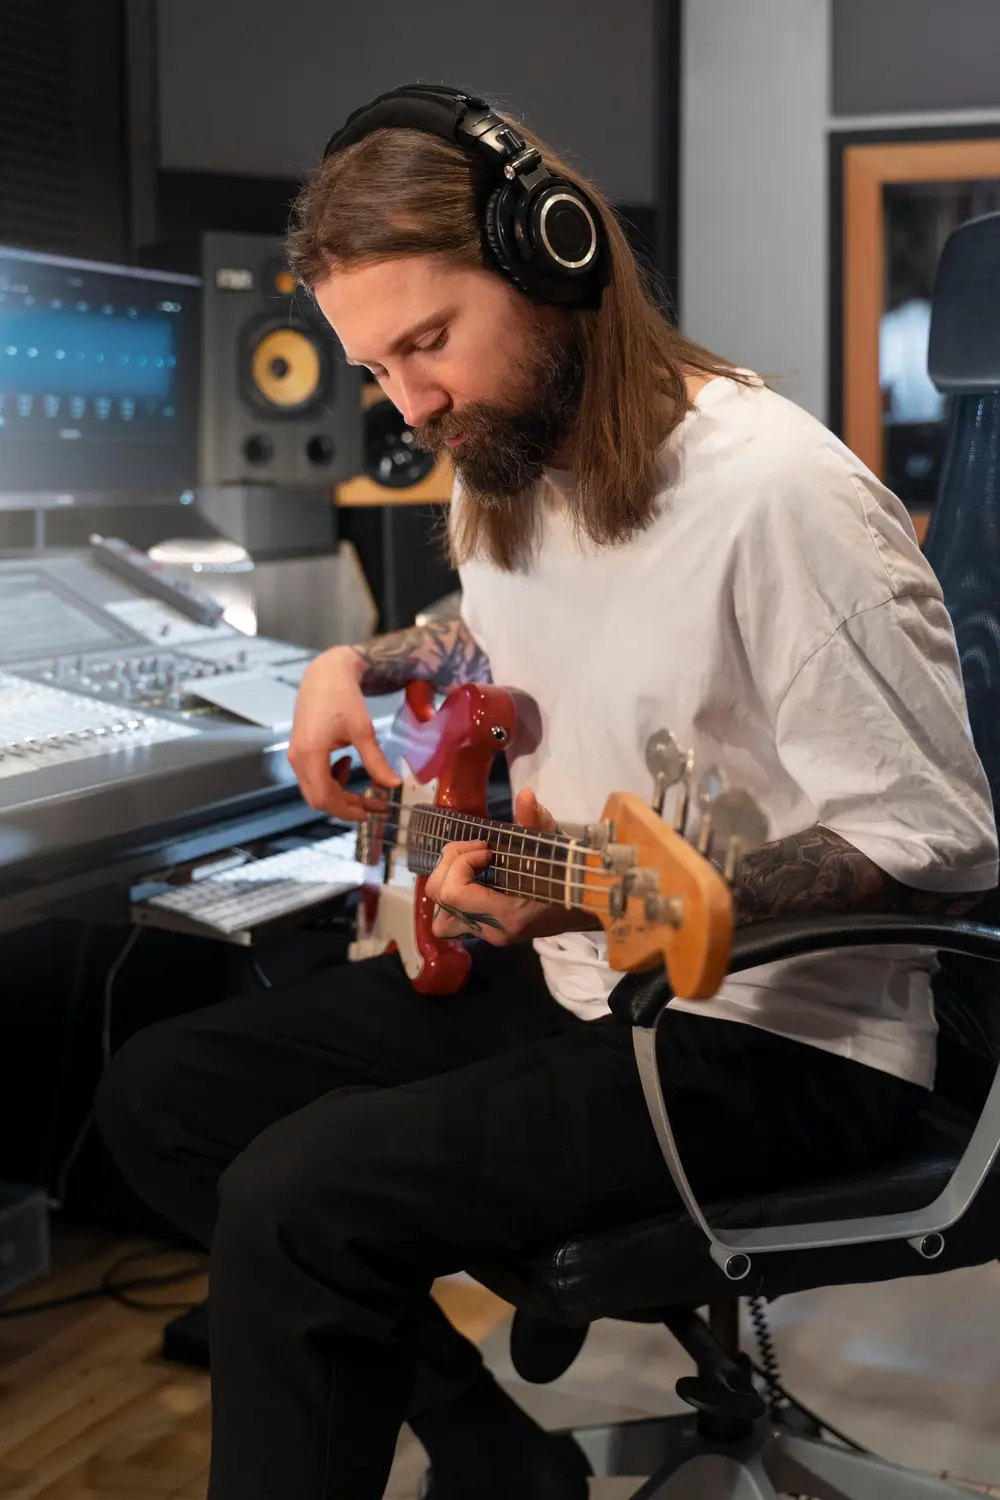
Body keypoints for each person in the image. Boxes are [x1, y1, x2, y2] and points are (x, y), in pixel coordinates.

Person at [96, 86, 998, 1500]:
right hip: (584, 983)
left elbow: (942, 836)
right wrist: (362, 660)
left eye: (427, 345)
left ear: (554, 258)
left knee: (299, 1198)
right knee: (163, 1098)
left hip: (782, 1040)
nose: (411, 405)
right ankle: (496, 1457)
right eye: (377, 370)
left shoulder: (778, 497)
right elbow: (500, 622)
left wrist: (665, 890)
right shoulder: (504, 466)